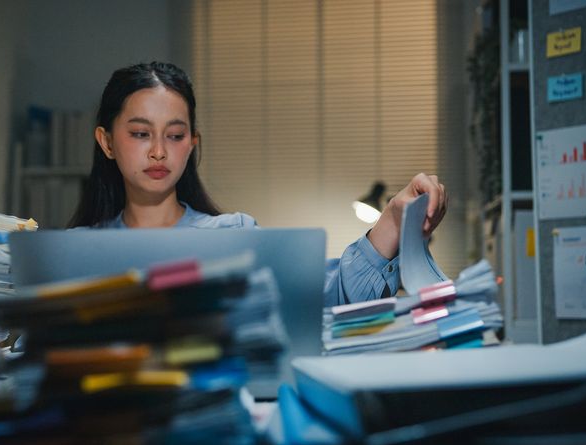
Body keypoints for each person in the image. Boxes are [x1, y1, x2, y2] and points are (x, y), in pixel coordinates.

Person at [69, 61, 447, 307]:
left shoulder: (234, 234)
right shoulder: (75, 254)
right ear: (106, 142)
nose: (157, 152)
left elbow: (321, 298)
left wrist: (394, 220)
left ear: (192, 144)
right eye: (139, 134)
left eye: (174, 135)